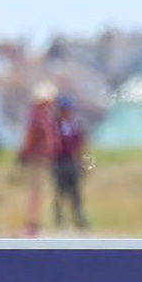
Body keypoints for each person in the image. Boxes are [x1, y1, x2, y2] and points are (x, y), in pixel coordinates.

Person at [16, 82, 60, 235]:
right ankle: (32, 222)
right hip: (37, 158)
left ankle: (34, 221)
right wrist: (25, 152)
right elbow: (31, 136)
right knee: (36, 190)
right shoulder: (38, 116)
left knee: (38, 191)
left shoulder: (43, 115)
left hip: (41, 157)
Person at [51, 94, 90, 230]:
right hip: (58, 162)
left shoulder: (75, 126)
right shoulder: (54, 126)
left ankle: (79, 219)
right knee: (60, 192)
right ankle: (59, 220)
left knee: (76, 193)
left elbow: (81, 147)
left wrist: (84, 163)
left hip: (72, 162)